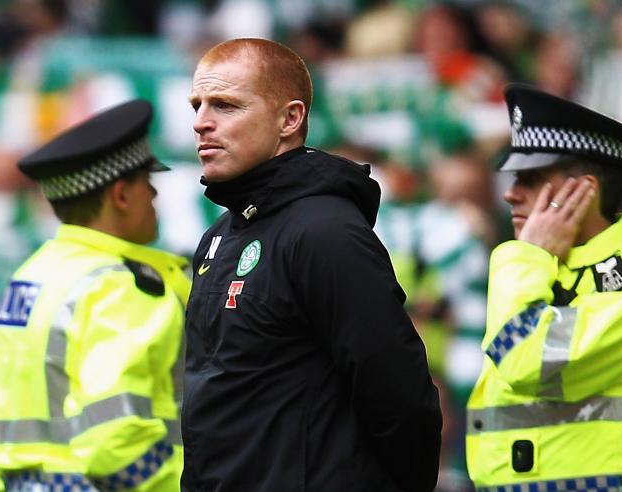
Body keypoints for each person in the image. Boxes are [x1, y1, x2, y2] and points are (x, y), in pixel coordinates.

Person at [183, 38, 442, 492]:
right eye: (197, 105)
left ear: (290, 118)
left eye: (225, 105)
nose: (202, 122)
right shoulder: (220, 236)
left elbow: (399, 393)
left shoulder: (325, 233)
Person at [466, 84, 622, 490]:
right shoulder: (541, 269)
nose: (509, 193)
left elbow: (526, 364)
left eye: (530, 177)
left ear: (585, 191)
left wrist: (523, 257)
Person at [0, 99, 190, 491]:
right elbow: (114, 441)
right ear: (122, 196)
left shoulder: (32, 276)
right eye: (149, 183)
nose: (156, 197)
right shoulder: (119, 286)